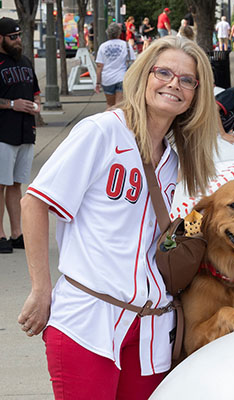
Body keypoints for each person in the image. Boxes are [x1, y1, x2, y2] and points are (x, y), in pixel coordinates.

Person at [17, 35, 218, 399]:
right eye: (164, 73)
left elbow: (161, 234)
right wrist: (41, 289)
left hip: (150, 331)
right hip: (89, 321)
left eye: (187, 79)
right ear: (144, 75)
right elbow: (34, 202)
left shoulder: (174, 159)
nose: (174, 84)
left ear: (196, 94)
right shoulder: (102, 132)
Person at [0, 18, 41, 254]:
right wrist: (12, 104)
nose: (18, 41)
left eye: (19, 36)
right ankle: (1, 235)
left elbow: (35, 92)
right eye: (12, 37)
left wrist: (37, 105)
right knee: (1, 185)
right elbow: (11, 102)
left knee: (16, 184)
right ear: (1, 38)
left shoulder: (25, 62)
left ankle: (16, 233)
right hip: (3, 133)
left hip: (26, 133)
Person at [94, 22, 136, 109]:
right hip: (121, 78)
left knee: (110, 105)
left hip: (107, 79)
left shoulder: (103, 47)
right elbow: (133, 62)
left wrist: (98, 82)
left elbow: (99, 66)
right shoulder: (126, 45)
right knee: (119, 105)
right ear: (119, 33)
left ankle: (107, 121)